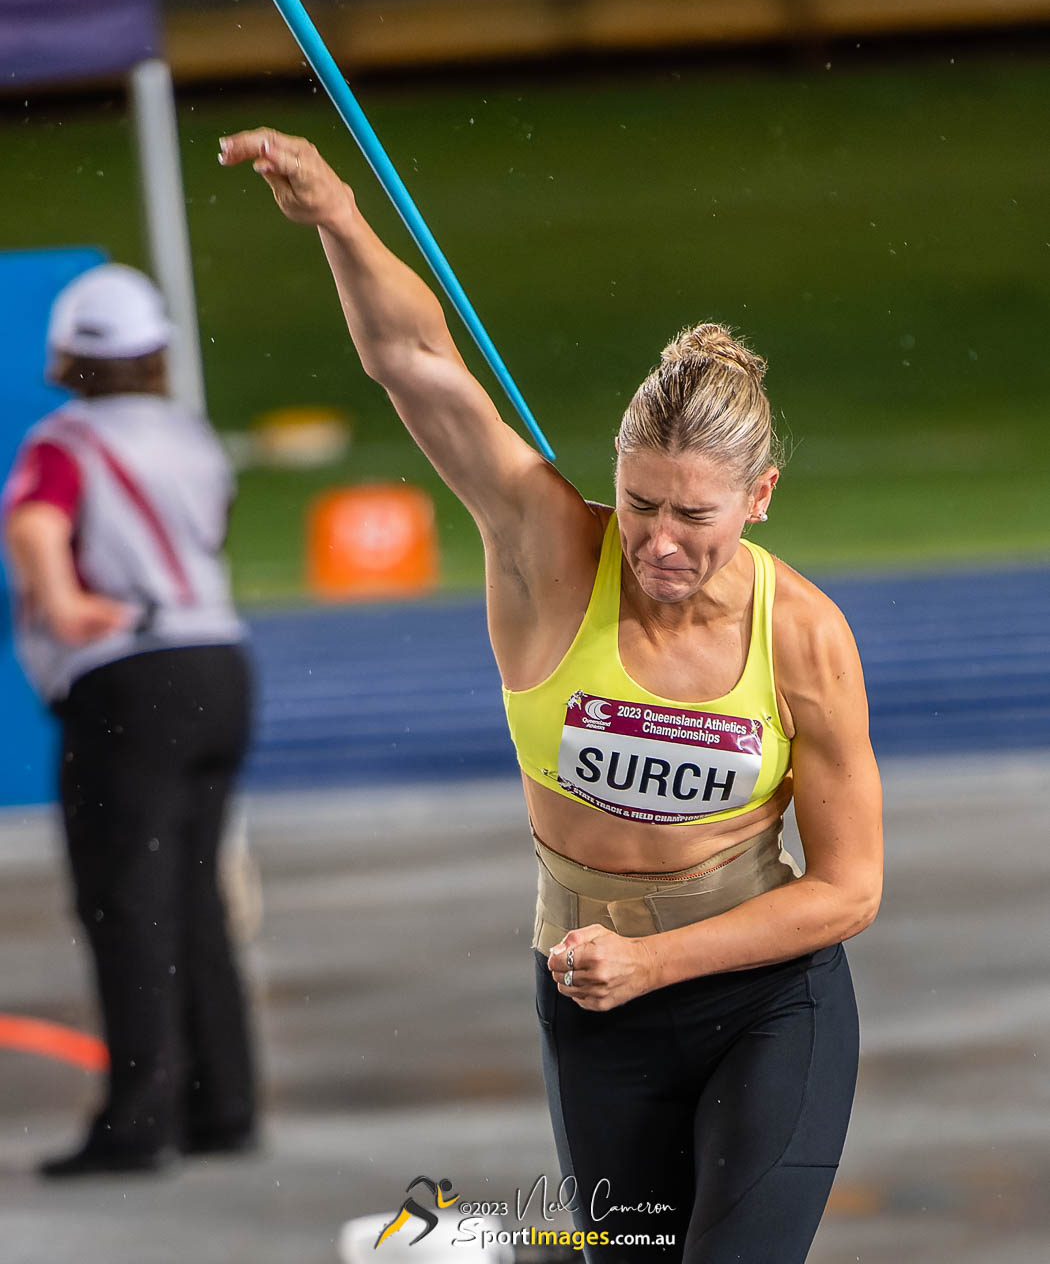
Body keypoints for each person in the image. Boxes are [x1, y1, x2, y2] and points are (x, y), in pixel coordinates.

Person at [217, 128, 883, 1263]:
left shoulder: (806, 637)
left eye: (696, 513)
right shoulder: (548, 553)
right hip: (594, 1000)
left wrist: (657, 960)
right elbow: (418, 365)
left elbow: (848, 889)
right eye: (641, 502)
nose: (662, 542)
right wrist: (338, 218)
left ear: (760, 495)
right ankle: (514, 1249)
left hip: (770, 1003)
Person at [2, 264, 257, 1177]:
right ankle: (223, 1103)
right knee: (191, 891)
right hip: (219, 662)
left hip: (130, 677)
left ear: (69, 355)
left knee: (126, 900)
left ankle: (138, 1120)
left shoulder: (63, 440)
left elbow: (34, 524)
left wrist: (65, 600)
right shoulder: (188, 435)